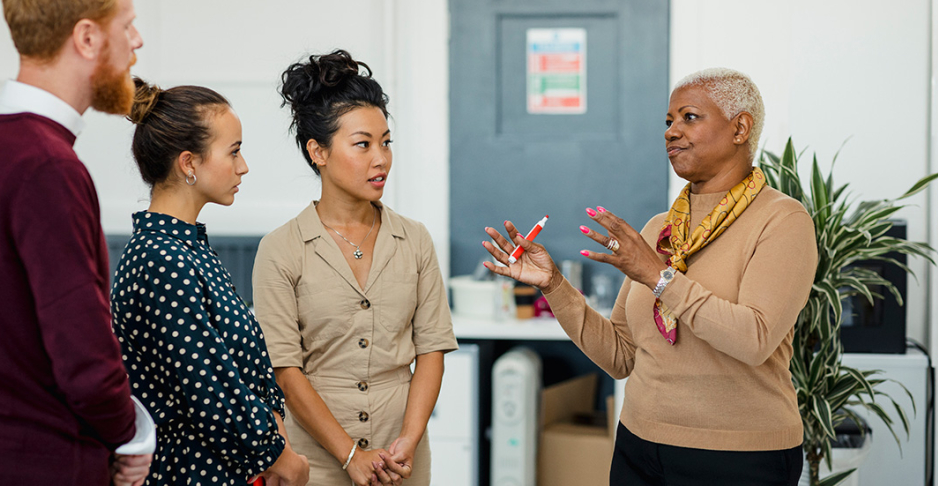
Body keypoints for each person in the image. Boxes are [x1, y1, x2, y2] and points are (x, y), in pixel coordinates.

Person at [483, 68, 817, 486]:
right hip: (639, 447)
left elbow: (754, 339)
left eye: (689, 117)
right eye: (667, 121)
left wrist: (660, 278)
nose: (671, 131)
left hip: (739, 457)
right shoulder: (659, 229)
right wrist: (554, 285)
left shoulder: (782, 220)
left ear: (740, 128)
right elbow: (621, 356)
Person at [252, 50, 458, 486]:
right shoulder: (281, 249)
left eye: (386, 142)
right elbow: (285, 370)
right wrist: (350, 455)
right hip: (317, 459)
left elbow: (432, 349)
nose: (380, 158)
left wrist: (410, 438)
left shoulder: (414, 239)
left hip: (402, 456)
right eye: (362, 144)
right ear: (318, 151)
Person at [109, 78, 310, 485]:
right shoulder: (160, 259)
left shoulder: (188, 247)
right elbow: (208, 390)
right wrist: (282, 460)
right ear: (189, 163)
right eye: (233, 151)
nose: (243, 166)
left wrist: (276, 438)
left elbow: (244, 366)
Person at [0, 0, 151, 484]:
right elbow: (83, 358)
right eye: (126, 25)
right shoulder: (48, 167)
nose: (137, 42)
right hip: (47, 462)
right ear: (87, 38)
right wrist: (132, 434)